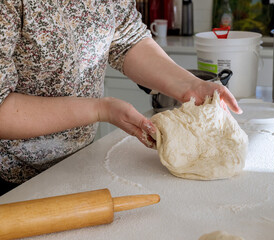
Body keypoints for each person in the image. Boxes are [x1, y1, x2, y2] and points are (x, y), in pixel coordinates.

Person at [0, 0, 241, 195]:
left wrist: (191, 86)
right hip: (11, 176)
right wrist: (100, 110)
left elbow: (128, 40)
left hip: (76, 164)